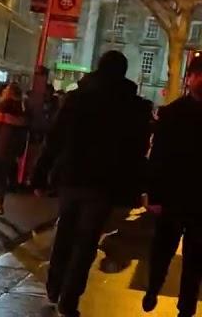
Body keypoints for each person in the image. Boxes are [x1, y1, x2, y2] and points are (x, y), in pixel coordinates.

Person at [32, 51, 152, 317]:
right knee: (86, 241)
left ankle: (54, 287)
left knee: (65, 232)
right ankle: (70, 298)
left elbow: (55, 139)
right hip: (104, 183)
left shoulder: (77, 99)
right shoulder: (133, 106)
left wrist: (39, 174)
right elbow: (137, 151)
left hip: (72, 176)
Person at [143, 56, 202, 317]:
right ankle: (154, 287)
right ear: (189, 79)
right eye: (197, 75)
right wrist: (153, 194)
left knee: (195, 258)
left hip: (197, 199)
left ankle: (186, 307)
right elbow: (159, 156)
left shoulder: (173, 112)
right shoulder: (173, 113)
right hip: (174, 194)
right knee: (163, 249)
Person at [0, 82, 28, 216]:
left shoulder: (3, 105)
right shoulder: (21, 108)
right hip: (12, 146)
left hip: (0, 143)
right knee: (3, 175)